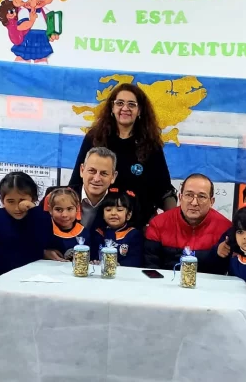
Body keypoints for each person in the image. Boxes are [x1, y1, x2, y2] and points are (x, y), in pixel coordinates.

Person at [68, 84, 177, 228]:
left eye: (131, 104)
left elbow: (163, 190)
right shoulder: (95, 138)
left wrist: (175, 221)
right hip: (98, 224)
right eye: (120, 103)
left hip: (137, 226)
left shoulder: (150, 145)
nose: (125, 108)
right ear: (112, 108)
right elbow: (76, 181)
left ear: (140, 111)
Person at [0, 172, 54, 290]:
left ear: (33, 198)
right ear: (2, 201)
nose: (16, 207)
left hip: (32, 283)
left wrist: (34, 211)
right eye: (10, 201)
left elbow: (47, 242)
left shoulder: (41, 218)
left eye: (22, 200)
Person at [143, 173, 230, 272]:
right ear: (180, 197)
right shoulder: (158, 224)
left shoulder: (226, 228)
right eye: (189, 195)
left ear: (212, 201)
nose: (194, 203)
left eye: (201, 197)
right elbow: (151, 267)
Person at [68, 147, 118, 232]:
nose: (96, 178)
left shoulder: (125, 204)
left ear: (113, 177)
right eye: (92, 171)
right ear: (82, 170)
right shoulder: (55, 196)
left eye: (104, 173)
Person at [91, 189, 144, 267]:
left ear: (128, 215)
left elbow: (135, 259)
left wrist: (118, 265)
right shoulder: (99, 232)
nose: (113, 213)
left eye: (119, 210)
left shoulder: (133, 234)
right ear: (103, 214)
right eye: (108, 210)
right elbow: (93, 255)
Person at [48, 187, 89, 261]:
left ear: (77, 209)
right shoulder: (44, 230)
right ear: (50, 210)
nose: (64, 215)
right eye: (58, 209)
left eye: (70, 209)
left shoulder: (85, 234)